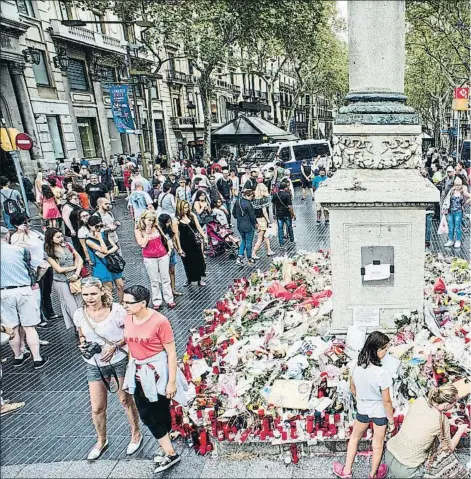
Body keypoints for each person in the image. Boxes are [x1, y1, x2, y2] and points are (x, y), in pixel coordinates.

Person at [74, 277, 142, 460]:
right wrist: (82, 344)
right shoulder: (79, 314)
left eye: (93, 293)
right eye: (86, 294)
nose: (89, 298)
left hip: (119, 359)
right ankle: (101, 440)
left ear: (102, 291)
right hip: (94, 363)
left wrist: (115, 346)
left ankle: (136, 434)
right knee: (97, 407)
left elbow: (131, 333)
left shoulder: (117, 311)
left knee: (125, 400)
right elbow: (81, 334)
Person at [122, 285, 188, 473]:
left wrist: (172, 381)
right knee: (146, 413)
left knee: (159, 411)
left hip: (157, 371)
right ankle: (169, 451)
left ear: (142, 303)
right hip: (137, 371)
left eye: (129, 303)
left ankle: (168, 450)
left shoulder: (160, 321)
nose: (125, 306)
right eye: (123, 302)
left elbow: (172, 352)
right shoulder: (128, 318)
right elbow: (130, 344)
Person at [332, 331, 392, 479]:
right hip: (379, 411)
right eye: (385, 349)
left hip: (363, 408)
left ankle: (347, 471)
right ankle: (373, 474)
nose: (386, 352)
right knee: (377, 444)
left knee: (354, 438)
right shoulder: (381, 373)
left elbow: (353, 388)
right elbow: (387, 401)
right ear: (377, 350)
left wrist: (361, 399)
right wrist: (391, 420)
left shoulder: (356, 365)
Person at [384, 383, 469, 478]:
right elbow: (450, 448)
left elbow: (421, 421)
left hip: (389, 454)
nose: (455, 405)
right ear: (446, 405)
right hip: (407, 470)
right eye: (454, 404)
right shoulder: (441, 420)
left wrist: (447, 423)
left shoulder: (420, 400)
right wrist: (461, 429)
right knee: (445, 456)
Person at [0, 226, 48, 369]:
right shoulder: (21, 250)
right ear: (7, 236)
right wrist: (35, 279)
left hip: (3, 293)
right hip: (24, 290)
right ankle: (37, 358)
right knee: (29, 327)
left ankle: (18, 356)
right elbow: (42, 265)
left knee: (12, 327)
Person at [9, 212, 58, 324]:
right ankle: (39, 318)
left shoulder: (34, 233)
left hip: (45, 264)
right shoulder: (16, 237)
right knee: (37, 293)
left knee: (47, 290)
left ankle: (49, 312)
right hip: (34, 267)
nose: (28, 224)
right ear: (17, 225)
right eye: (25, 223)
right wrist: (21, 232)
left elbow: (42, 244)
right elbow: (22, 250)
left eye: (28, 221)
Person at [135, 211, 175, 310]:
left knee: (165, 278)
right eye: (149, 220)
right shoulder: (138, 229)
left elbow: (165, 237)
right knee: (154, 280)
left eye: (152, 220)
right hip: (149, 257)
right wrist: (147, 234)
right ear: (143, 219)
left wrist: (169, 249)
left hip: (162, 255)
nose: (151, 222)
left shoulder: (157, 226)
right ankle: (157, 300)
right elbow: (142, 244)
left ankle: (169, 299)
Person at [45, 228, 83, 329]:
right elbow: (59, 269)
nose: (61, 238)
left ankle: (83, 325)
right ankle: (78, 327)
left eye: (61, 236)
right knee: (70, 305)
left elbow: (79, 259)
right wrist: (74, 267)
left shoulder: (68, 245)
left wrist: (76, 273)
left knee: (80, 303)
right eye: (58, 237)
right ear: (51, 239)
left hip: (74, 278)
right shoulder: (48, 251)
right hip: (61, 280)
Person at [85, 216, 124, 302]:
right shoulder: (88, 240)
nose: (99, 228)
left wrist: (106, 253)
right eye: (96, 226)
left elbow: (114, 247)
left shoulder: (104, 234)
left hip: (111, 261)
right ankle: (110, 307)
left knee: (120, 285)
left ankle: (122, 304)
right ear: (90, 226)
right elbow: (104, 249)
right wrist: (100, 239)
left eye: (101, 226)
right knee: (108, 289)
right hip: (101, 265)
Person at [175, 200, 206, 287]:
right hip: (185, 242)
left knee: (198, 260)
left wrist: (204, 236)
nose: (186, 209)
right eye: (184, 207)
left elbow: (198, 227)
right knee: (187, 262)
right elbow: (176, 235)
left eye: (187, 207)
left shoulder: (192, 216)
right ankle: (189, 278)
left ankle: (199, 279)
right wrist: (179, 248)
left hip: (195, 242)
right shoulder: (177, 219)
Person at [158, 214, 183, 298]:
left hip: (171, 252)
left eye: (169, 222)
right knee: (165, 273)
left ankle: (173, 289)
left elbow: (173, 241)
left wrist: (178, 250)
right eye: (167, 222)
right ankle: (167, 290)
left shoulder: (169, 230)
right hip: (164, 253)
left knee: (172, 272)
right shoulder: (160, 232)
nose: (169, 224)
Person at [442, 175, 471, 249]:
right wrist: (445, 208)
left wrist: (466, 202)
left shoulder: (463, 191)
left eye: (459, 184)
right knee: (451, 226)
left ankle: (458, 240)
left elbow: (468, 195)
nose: (457, 186)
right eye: (456, 184)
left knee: (458, 227)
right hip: (450, 211)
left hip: (459, 211)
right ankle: (450, 240)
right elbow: (447, 199)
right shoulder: (452, 190)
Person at [232, 188, 257, 266]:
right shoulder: (248, 204)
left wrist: (239, 218)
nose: (252, 199)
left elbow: (233, 213)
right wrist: (256, 224)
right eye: (251, 197)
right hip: (248, 226)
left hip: (239, 225)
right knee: (249, 242)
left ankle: (239, 257)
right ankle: (249, 258)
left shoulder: (237, 201)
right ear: (248, 195)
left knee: (243, 240)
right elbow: (252, 216)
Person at [252, 180, 274, 259]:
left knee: (266, 236)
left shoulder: (254, 199)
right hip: (262, 220)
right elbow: (264, 212)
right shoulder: (263, 200)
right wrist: (269, 221)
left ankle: (269, 250)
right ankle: (254, 253)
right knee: (260, 238)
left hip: (257, 219)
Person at [272, 182, 295, 247]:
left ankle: (281, 242)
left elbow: (273, 204)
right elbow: (290, 206)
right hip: (286, 213)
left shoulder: (275, 194)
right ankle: (291, 239)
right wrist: (293, 214)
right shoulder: (287, 195)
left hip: (279, 214)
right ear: (285, 188)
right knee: (289, 226)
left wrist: (274, 213)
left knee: (280, 228)